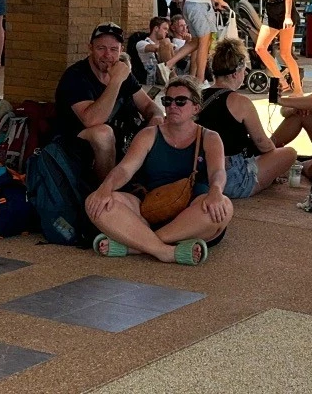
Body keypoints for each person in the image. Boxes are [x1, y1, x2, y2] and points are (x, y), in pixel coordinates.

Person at [88, 78, 231, 266]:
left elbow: (217, 172)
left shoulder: (210, 137)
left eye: (180, 101)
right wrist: (105, 187)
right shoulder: (149, 134)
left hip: (192, 214)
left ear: (196, 108)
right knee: (95, 203)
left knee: (224, 207)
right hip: (150, 209)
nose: (173, 106)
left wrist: (216, 191)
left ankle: (136, 245)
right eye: (167, 101)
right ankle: (164, 251)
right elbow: (125, 169)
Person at [55, 23, 166, 183]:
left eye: (114, 49)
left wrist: (155, 119)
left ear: (121, 51)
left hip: (122, 140)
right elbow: (92, 120)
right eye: (101, 48)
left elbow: (148, 106)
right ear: (90, 48)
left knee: (164, 122)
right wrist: (116, 81)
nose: (107, 55)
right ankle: (108, 190)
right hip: (76, 145)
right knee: (103, 134)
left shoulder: (122, 73)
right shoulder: (76, 76)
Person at [201, 38, 298, 198]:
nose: (245, 74)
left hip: (202, 171)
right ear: (235, 73)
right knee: (289, 153)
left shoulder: (198, 96)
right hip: (231, 177)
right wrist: (273, 161)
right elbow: (264, 145)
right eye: (244, 70)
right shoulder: (240, 102)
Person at [245, 0, 303, 94]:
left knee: (285, 53)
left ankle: (298, 90)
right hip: (270, 11)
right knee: (260, 48)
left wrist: (288, 17)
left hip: (284, 10)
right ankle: (282, 81)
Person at [135, 15, 174, 87]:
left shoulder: (166, 44)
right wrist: (167, 45)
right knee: (166, 42)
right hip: (151, 79)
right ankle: (173, 77)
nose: (167, 32)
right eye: (165, 29)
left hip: (164, 77)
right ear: (156, 28)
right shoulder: (142, 43)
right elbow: (156, 48)